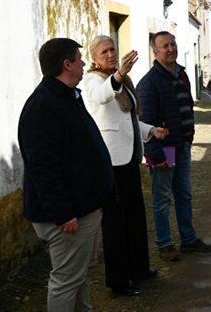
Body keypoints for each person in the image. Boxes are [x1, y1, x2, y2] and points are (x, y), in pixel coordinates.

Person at [18, 38, 113, 311]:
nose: (85, 64)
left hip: (85, 209)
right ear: (66, 64)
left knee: (83, 273)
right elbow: (41, 166)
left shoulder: (68, 96)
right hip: (69, 217)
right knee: (67, 279)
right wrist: (62, 212)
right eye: (80, 59)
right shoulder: (43, 106)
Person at [80, 36, 167, 296]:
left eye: (112, 49)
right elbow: (102, 96)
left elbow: (127, 121)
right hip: (110, 162)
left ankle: (139, 268)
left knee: (136, 218)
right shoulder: (93, 81)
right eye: (104, 51)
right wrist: (118, 75)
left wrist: (152, 130)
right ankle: (118, 281)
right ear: (94, 57)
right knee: (115, 225)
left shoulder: (122, 81)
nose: (110, 54)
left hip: (129, 158)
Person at [137, 31, 211, 261]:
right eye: (164, 46)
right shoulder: (149, 83)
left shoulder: (181, 74)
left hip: (182, 146)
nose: (170, 49)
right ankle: (164, 244)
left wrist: (189, 137)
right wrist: (154, 153)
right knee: (161, 200)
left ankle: (188, 240)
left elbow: (187, 108)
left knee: (184, 195)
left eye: (173, 44)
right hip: (163, 149)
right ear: (155, 52)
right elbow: (145, 122)